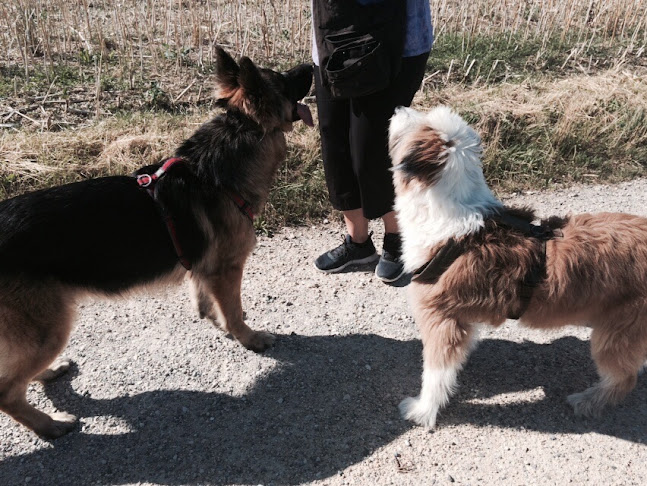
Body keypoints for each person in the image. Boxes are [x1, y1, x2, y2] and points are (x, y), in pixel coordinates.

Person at [311, 0, 433, 282]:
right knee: (336, 143)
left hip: (394, 41)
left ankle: (398, 242)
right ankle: (359, 244)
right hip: (331, 37)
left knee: (373, 147)